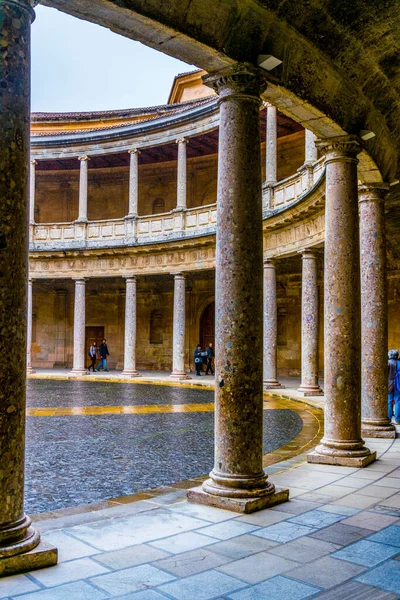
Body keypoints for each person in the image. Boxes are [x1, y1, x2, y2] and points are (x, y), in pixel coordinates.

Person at [388, 349, 400, 423]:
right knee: (398, 401)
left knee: (389, 401)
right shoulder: (399, 363)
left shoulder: (388, 363)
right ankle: (397, 419)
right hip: (398, 385)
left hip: (389, 384)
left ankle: (389, 419)